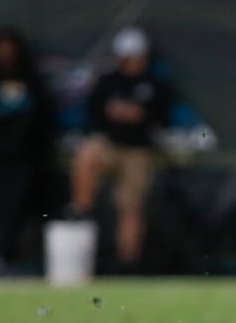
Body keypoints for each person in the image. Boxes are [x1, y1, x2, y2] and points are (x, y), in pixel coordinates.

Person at [71, 27, 174, 270]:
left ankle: (127, 262)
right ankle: (81, 210)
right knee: (88, 151)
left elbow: (163, 117)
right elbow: (92, 114)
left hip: (138, 150)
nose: (132, 62)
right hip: (111, 145)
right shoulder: (108, 81)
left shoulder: (154, 83)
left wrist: (139, 115)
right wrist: (112, 113)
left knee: (131, 207)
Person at [0, 28, 55, 269]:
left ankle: (37, 258)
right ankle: (3, 254)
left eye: (9, 49)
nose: (5, 54)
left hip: (30, 156)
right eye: (0, 49)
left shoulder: (32, 80)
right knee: (3, 206)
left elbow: (43, 116)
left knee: (34, 207)